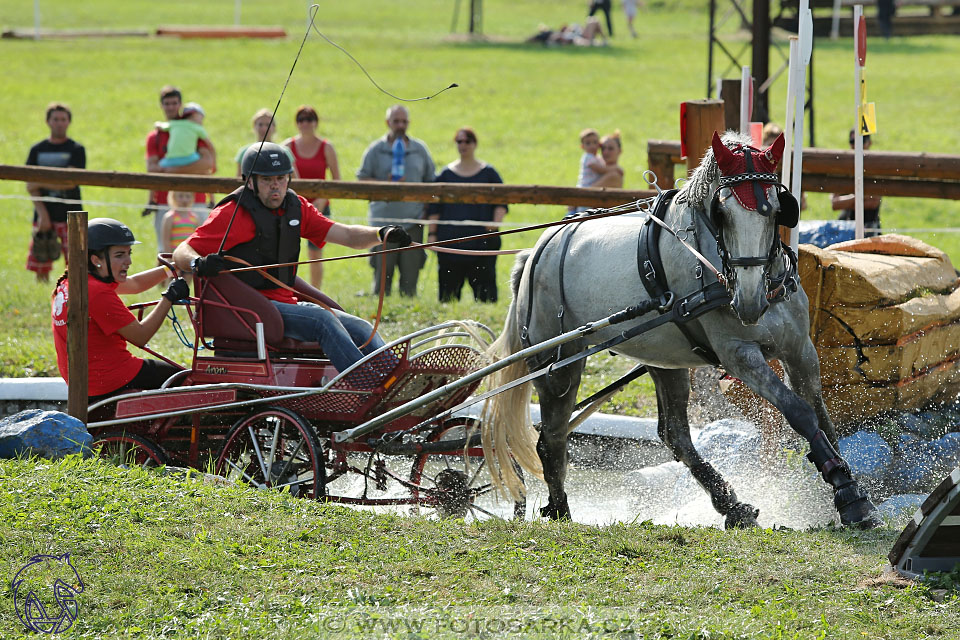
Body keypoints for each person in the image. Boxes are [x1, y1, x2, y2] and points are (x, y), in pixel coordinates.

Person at [173, 142, 411, 376]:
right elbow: (182, 251)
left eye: (281, 179)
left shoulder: (296, 207)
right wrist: (197, 263)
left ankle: (397, 382)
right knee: (322, 320)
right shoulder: (231, 214)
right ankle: (368, 385)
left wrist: (381, 234)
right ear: (250, 181)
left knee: (360, 326)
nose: (275, 187)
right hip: (248, 309)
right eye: (267, 180)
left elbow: (347, 235)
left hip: (285, 303)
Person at [51, 218, 189, 402]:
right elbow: (141, 336)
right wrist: (169, 298)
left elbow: (135, 284)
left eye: (128, 253)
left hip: (89, 381)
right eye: (119, 255)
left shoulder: (76, 282)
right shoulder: (97, 292)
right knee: (187, 380)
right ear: (96, 260)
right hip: (111, 378)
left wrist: (173, 268)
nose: (129, 261)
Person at [357, 105, 435, 296]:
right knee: (382, 283)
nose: (400, 125)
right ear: (387, 123)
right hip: (382, 227)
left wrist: (426, 210)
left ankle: (410, 316)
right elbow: (362, 179)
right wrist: (385, 183)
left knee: (410, 282)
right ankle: (381, 318)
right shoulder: (376, 150)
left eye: (404, 121)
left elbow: (431, 181)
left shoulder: (419, 149)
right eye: (396, 121)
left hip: (412, 224)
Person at [426, 127, 508, 303]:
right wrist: (432, 235)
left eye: (467, 141)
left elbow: (502, 201)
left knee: (485, 297)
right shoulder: (445, 175)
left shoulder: (489, 173)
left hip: (482, 243)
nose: (463, 145)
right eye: (459, 141)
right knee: (448, 298)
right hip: (450, 243)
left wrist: (495, 224)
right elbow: (434, 208)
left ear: (475, 144)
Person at [144, 85, 215, 248]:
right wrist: (192, 167)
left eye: (174, 103)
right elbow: (152, 169)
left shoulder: (192, 131)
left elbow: (207, 163)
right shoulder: (155, 136)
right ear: (161, 105)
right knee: (165, 251)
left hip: (196, 198)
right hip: (164, 200)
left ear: (180, 105)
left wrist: (171, 170)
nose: (171, 107)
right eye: (167, 103)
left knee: (199, 249)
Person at [25, 102, 86, 283]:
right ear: (48, 121)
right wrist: (42, 213)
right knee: (41, 261)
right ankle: (42, 292)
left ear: (69, 122)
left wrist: (41, 182)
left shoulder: (76, 150)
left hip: (71, 215)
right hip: (44, 214)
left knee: (76, 263)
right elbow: (29, 186)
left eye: (63, 119)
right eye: (55, 119)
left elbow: (71, 182)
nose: (59, 123)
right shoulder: (37, 150)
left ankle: (72, 295)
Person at [283, 105, 341, 290]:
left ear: (316, 122)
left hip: (320, 205)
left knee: (315, 254)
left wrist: (320, 202)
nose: (305, 123)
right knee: (287, 254)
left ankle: (315, 293)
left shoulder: (326, 147)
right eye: (301, 119)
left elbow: (336, 180)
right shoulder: (287, 147)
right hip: (292, 205)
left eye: (309, 119)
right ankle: (287, 291)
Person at [832, 129, 881, 236]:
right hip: (845, 226)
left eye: (861, 141)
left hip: (869, 226)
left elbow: (874, 202)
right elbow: (835, 204)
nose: (856, 145)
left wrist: (848, 201)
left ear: (869, 143)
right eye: (852, 141)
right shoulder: (843, 167)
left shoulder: (875, 166)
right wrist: (859, 197)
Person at [234, 108, 296, 177]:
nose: (264, 128)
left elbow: (295, 181)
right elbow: (239, 179)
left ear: (274, 127)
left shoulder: (284, 152)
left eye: (268, 125)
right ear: (254, 127)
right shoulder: (244, 152)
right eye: (260, 125)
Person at [155, 102, 211, 169]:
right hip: (190, 158)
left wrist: (157, 124)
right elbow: (209, 144)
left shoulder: (175, 123)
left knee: (159, 166)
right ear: (196, 115)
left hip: (171, 159)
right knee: (202, 162)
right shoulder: (197, 128)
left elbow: (160, 126)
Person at [159, 190, 201, 256]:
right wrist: (169, 257)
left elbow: (197, 239)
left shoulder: (195, 218)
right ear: (173, 197)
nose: (184, 200)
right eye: (180, 196)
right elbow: (166, 240)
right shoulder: (169, 217)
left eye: (188, 196)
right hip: (174, 254)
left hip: (189, 254)